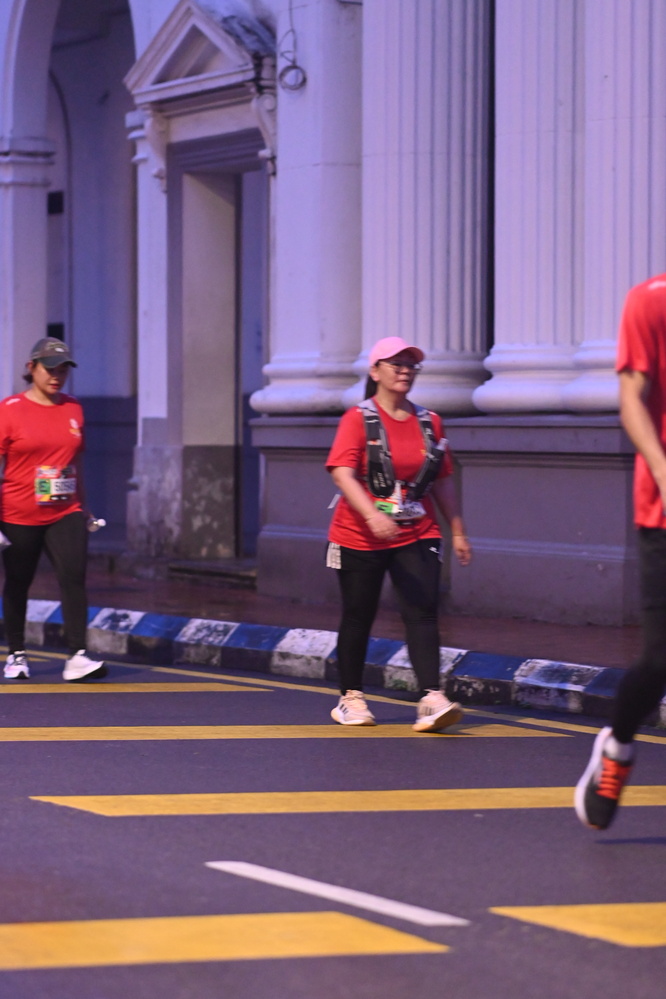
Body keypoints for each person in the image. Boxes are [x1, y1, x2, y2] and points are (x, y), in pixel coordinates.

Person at [325, 336, 472, 731]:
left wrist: (458, 531)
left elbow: (442, 480)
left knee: (422, 611)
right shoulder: (357, 419)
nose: (405, 371)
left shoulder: (429, 421)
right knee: (359, 613)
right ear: (376, 372)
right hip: (358, 533)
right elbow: (342, 473)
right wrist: (372, 515)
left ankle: (432, 697)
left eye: (411, 365)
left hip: (417, 528)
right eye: (396, 364)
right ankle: (351, 698)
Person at [575, 274, 666, 829]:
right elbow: (631, 398)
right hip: (663, 514)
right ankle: (617, 747)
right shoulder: (651, 301)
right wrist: (662, 468)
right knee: (660, 659)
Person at [0, 337, 106, 682]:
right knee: (18, 581)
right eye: (49, 369)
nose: (56, 376)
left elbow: (76, 461)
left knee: (74, 576)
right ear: (31, 368)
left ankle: (77, 655)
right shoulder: (9, 409)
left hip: (65, 511)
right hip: (18, 513)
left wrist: (84, 506)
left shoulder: (73, 408)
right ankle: (16, 654)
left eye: (63, 370)